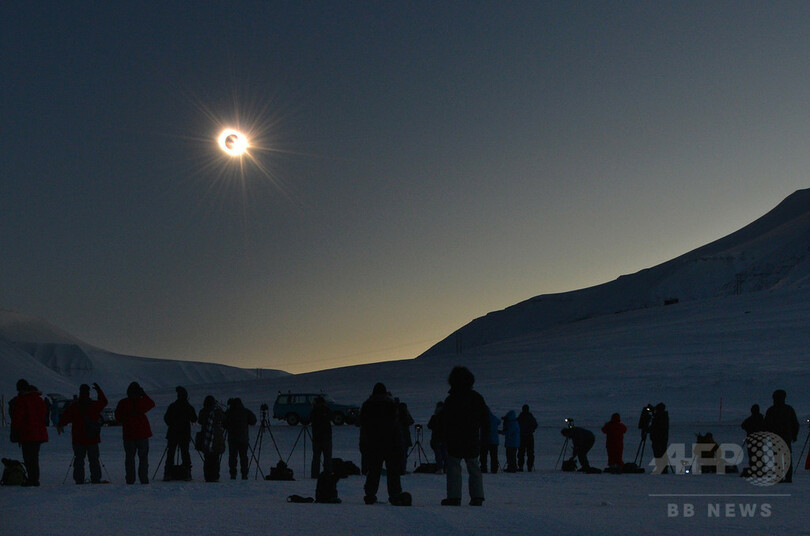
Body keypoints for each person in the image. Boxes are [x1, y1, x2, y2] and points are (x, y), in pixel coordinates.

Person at [442, 366, 489, 506]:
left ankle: (454, 496)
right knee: (474, 466)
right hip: (472, 437)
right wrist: (484, 436)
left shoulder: (451, 399)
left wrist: (444, 437)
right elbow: (485, 419)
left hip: (454, 438)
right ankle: (477, 496)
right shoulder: (477, 398)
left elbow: (445, 421)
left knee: (454, 467)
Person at [359, 382, 410, 505]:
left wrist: (364, 445)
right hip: (391, 443)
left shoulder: (367, 405)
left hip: (373, 444)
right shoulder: (391, 405)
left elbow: (363, 425)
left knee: (374, 471)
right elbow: (398, 426)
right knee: (393, 471)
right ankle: (394, 495)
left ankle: (370, 495)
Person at [58, 383, 107, 484]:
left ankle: (79, 479)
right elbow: (104, 402)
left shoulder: (75, 406)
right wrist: (99, 390)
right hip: (92, 437)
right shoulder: (94, 405)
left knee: (79, 460)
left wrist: (60, 424)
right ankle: (96, 479)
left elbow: (65, 417)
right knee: (94, 460)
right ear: (89, 393)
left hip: (78, 438)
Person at [114, 381, 155, 484]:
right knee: (143, 458)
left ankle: (130, 479)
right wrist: (143, 394)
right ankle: (143, 479)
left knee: (129, 459)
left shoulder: (123, 403)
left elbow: (118, 417)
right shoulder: (141, 402)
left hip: (129, 435)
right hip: (142, 434)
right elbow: (151, 403)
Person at [10, 379, 49, 486]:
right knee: (34, 457)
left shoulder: (22, 400)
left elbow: (17, 417)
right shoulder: (39, 399)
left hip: (27, 433)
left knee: (28, 457)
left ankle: (32, 479)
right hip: (39, 433)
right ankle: (34, 478)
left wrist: (15, 432)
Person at [764, 389, 800, 483]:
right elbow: (795, 424)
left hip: (777, 438)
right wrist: (794, 435)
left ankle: (781, 477)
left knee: (779, 458)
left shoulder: (772, 410)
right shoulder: (788, 409)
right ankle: (787, 477)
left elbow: (766, 425)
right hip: (784, 437)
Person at [163, 386, 197, 481]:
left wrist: (172, 424)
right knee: (185, 453)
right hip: (184, 434)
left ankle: (168, 473)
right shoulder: (188, 407)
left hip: (173, 433)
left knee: (171, 453)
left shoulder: (172, 406)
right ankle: (187, 473)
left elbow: (166, 419)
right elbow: (194, 419)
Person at [223, 398, 257, 480]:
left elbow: (223, 423)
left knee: (232, 457)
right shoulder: (245, 411)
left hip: (232, 438)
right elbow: (253, 421)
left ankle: (233, 474)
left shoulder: (229, 412)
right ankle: (244, 474)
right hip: (243, 438)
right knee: (244, 456)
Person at [198, 395, 225, 482]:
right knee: (215, 458)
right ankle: (215, 476)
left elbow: (200, 421)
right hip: (217, 438)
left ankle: (208, 476)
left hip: (206, 437)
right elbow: (224, 420)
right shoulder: (218, 411)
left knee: (207, 458)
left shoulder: (203, 411)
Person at [310, 395, 333, 478]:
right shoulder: (326, 410)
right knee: (327, 457)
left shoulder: (315, 411)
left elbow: (310, 419)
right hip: (327, 436)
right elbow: (331, 417)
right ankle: (328, 473)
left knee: (316, 457)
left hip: (317, 437)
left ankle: (315, 474)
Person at [741, 404, 766, 470]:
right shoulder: (761, 418)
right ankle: (758, 467)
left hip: (753, 439)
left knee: (753, 453)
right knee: (757, 453)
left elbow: (743, 425)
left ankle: (755, 467)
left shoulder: (752, 419)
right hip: (758, 439)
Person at [427, 401, 448, 473]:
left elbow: (429, 426)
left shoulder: (435, 417)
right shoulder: (446, 417)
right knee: (445, 453)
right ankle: (447, 467)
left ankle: (440, 468)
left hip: (436, 437)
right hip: (445, 438)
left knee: (438, 453)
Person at [650, 402, 670, 474]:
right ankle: (663, 468)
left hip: (658, 438)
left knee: (658, 452)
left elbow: (656, 427)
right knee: (662, 452)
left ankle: (661, 468)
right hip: (662, 438)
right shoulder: (663, 416)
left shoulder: (660, 417)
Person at [516, 404, 538, 471]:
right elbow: (535, 425)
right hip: (529, 436)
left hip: (522, 436)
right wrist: (532, 430)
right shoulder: (530, 416)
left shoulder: (520, 417)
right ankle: (529, 467)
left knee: (521, 452)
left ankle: (521, 466)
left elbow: (516, 425)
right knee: (530, 452)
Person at [479, 409, 500, 474]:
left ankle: (483, 468)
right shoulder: (494, 418)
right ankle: (494, 469)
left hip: (485, 440)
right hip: (494, 441)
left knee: (483, 455)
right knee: (494, 456)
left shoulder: (482, 419)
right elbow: (499, 422)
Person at [397, 400, 415, 474]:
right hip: (405, 438)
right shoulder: (405, 416)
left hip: (400, 438)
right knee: (403, 454)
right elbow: (411, 421)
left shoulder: (398, 416)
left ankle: (400, 469)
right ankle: (402, 468)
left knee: (401, 454)